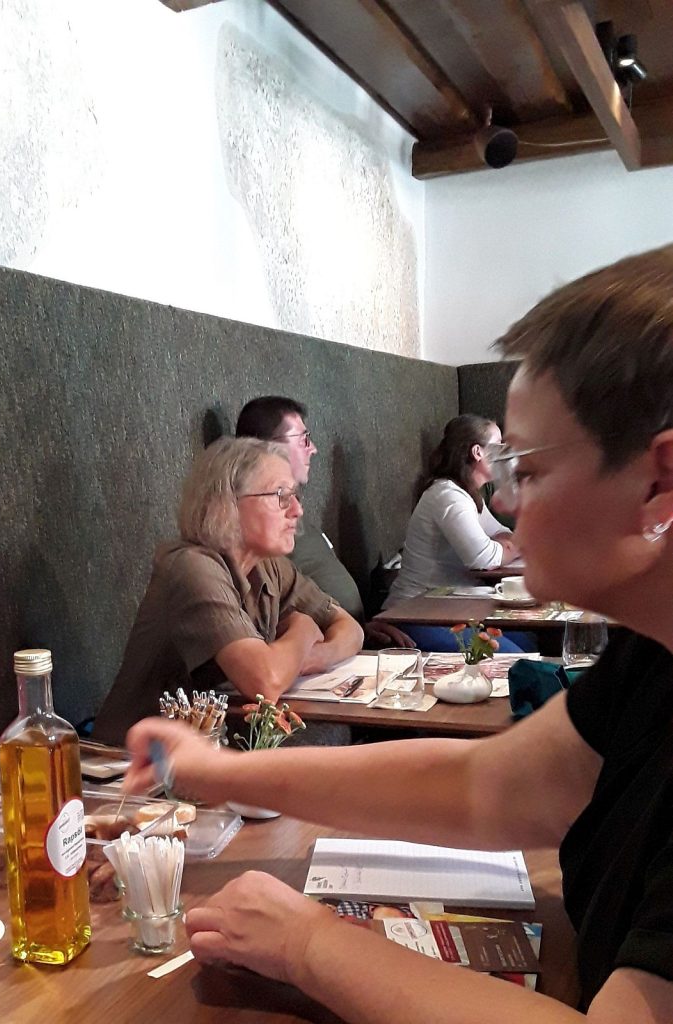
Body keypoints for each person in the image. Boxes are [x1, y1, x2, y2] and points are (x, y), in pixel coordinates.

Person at [124, 246, 673, 1022]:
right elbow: (489, 785)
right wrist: (215, 772)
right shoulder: (653, 652)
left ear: (659, 481)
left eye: (531, 471)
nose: (509, 504)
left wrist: (308, 943)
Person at [93, 436, 363, 746]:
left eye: (295, 495)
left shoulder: (269, 565)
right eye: (280, 496)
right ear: (227, 504)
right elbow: (266, 681)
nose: (298, 510)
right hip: (133, 765)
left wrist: (310, 656)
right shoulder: (190, 567)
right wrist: (303, 628)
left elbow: (351, 629)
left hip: (205, 748)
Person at [235, 396, 413, 649]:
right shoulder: (258, 527)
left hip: (351, 638)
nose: (313, 448)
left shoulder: (292, 515)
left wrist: (360, 629)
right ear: (266, 447)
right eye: (303, 439)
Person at [382, 413, 531, 653]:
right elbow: (484, 558)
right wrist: (505, 547)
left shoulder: (467, 494)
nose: (505, 453)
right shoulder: (448, 495)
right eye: (499, 444)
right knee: (516, 658)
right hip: (416, 613)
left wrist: (503, 545)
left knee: (528, 640)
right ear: (477, 452)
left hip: (451, 608)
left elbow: (503, 534)